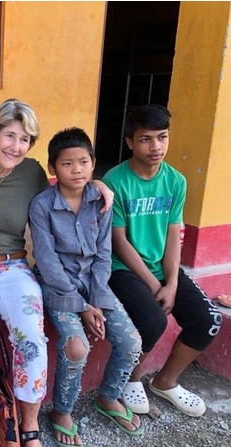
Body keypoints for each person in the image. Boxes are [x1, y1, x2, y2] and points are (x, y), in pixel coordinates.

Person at [0, 99, 113, 447]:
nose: (16, 147)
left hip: (13, 265)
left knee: (32, 333)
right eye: (9, 135)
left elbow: (70, 185)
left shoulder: (32, 172)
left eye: (25, 139)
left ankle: (30, 426)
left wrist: (99, 184)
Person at [102, 105, 222, 418]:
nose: (156, 146)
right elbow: (119, 241)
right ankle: (132, 378)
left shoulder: (176, 181)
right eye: (146, 139)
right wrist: (156, 286)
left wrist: (172, 283)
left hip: (162, 267)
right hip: (123, 268)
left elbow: (172, 237)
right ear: (130, 142)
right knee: (153, 320)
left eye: (162, 137)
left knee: (208, 319)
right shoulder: (116, 180)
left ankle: (165, 382)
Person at [28, 127, 143, 447]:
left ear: (93, 163)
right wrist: (83, 307)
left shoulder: (101, 200)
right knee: (76, 347)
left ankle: (108, 396)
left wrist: (97, 300)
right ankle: (62, 410)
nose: (76, 170)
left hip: (94, 285)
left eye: (83, 162)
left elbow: (104, 255)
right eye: (67, 164)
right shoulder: (42, 205)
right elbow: (47, 262)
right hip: (58, 287)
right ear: (53, 168)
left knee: (131, 341)